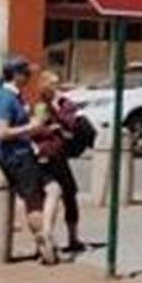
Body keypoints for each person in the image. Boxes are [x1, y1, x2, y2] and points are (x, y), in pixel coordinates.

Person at [0, 57, 61, 265]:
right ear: (17, 75)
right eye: (26, 73)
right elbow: (1, 132)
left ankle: (45, 234)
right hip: (17, 157)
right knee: (34, 201)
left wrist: (40, 128)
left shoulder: (16, 97)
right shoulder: (6, 99)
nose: (30, 77)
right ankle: (44, 243)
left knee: (54, 189)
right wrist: (31, 127)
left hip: (26, 152)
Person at [32, 71, 85, 254]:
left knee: (69, 193)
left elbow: (72, 125)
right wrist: (51, 129)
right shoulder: (40, 106)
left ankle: (72, 238)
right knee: (50, 194)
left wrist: (61, 121)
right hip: (48, 154)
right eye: (53, 84)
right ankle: (45, 237)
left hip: (59, 154)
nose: (57, 88)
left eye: (58, 84)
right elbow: (35, 129)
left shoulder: (64, 105)